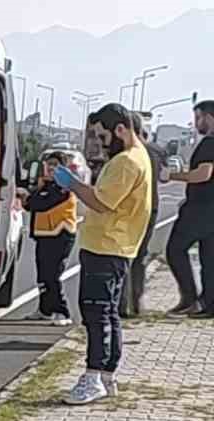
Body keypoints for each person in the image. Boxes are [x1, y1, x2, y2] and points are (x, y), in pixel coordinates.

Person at [55, 104, 153, 405]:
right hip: (116, 246)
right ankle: (107, 375)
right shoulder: (139, 157)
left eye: (103, 135)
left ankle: (93, 375)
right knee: (108, 312)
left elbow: (102, 202)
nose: (101, 142)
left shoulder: (126, 162)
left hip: (107, 246)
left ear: (121, 130)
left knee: (96, 314)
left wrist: (72, 184)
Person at [165, 99, 214, 317]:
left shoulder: (209, 144)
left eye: (198, 118)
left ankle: (189, 298)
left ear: (208, 117)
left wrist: (172, 175)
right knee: (209, 259)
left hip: (200, 209)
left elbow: (203, 174)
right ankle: (208, 304)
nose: (196, 123)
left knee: (175, 249)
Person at [23, 151, 79, 326]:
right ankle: (45, 309)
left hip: (61, 234)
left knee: (52, 275)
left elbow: (40, 204)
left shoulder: (64, 186)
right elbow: (33, 201)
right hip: (45, 234)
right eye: (48, 165)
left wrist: (29, 198)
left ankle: (63, 312)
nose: (50, 169)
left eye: (55, 165)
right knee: (42, 276)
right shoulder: (46, 185)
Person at [122, 112, 167, 318]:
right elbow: (164, 177)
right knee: (140, 255)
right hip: (151, 207)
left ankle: (121, 303)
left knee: (122, 254)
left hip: (129, 209)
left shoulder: (128, 153)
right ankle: (136, 301)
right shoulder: (157, 150)